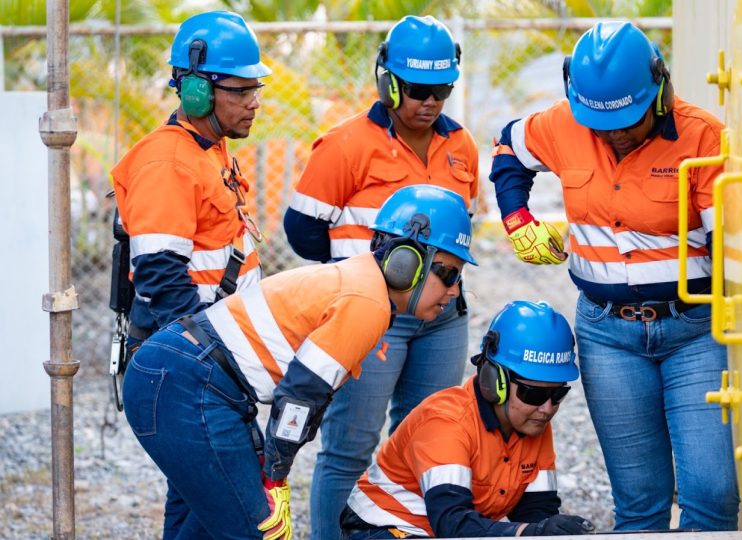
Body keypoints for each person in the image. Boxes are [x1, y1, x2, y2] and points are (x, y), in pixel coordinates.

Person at [489, 21, 739, 531]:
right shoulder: (564, 125)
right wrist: (517, 220)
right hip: (608, 337)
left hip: (695, 332)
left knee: (712, 493)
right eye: (601, 124)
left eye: (628, 120)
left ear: (660, 91)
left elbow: (727, 248)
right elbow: (509, 147)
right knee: (639, 501)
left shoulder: (703, 138)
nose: (616, 134)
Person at [121, 184, 477, 539]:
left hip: (187, 378)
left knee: (208, 529)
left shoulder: (362, 284)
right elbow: (301, 396)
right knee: (261, 531)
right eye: (448, 273)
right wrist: (275, 478)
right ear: (406, 263)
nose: (454, 290)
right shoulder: (367, 302)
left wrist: (274, 467)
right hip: (189, 384)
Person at [282, 15, 479, 539]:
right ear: (388, 82)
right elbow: (303, 231)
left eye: (441, 91)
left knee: (427, 444)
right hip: (372, 320)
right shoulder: (344, 145)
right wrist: (367, 276)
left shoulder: (462, 146)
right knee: (349, 448)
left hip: (442, 320)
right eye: (417, 90)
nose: (430, 102)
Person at [340, 300, 595, 539]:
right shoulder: (446, 423)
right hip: (384, 527)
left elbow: (536, 512)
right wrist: (528, 533)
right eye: (534, 394)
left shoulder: (532, 421)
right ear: (495, 381)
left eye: (557, 394)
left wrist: (550, 530)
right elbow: (452, 524)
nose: (547, 408)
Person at [112, 10, 270, 352]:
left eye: (255, 89)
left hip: (216, 337)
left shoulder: (207, 148)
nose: (254, 103)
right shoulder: (167, 163)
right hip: (188, 351)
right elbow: (161, 275)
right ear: (198, 91)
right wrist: (204, 352)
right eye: (241, 92)